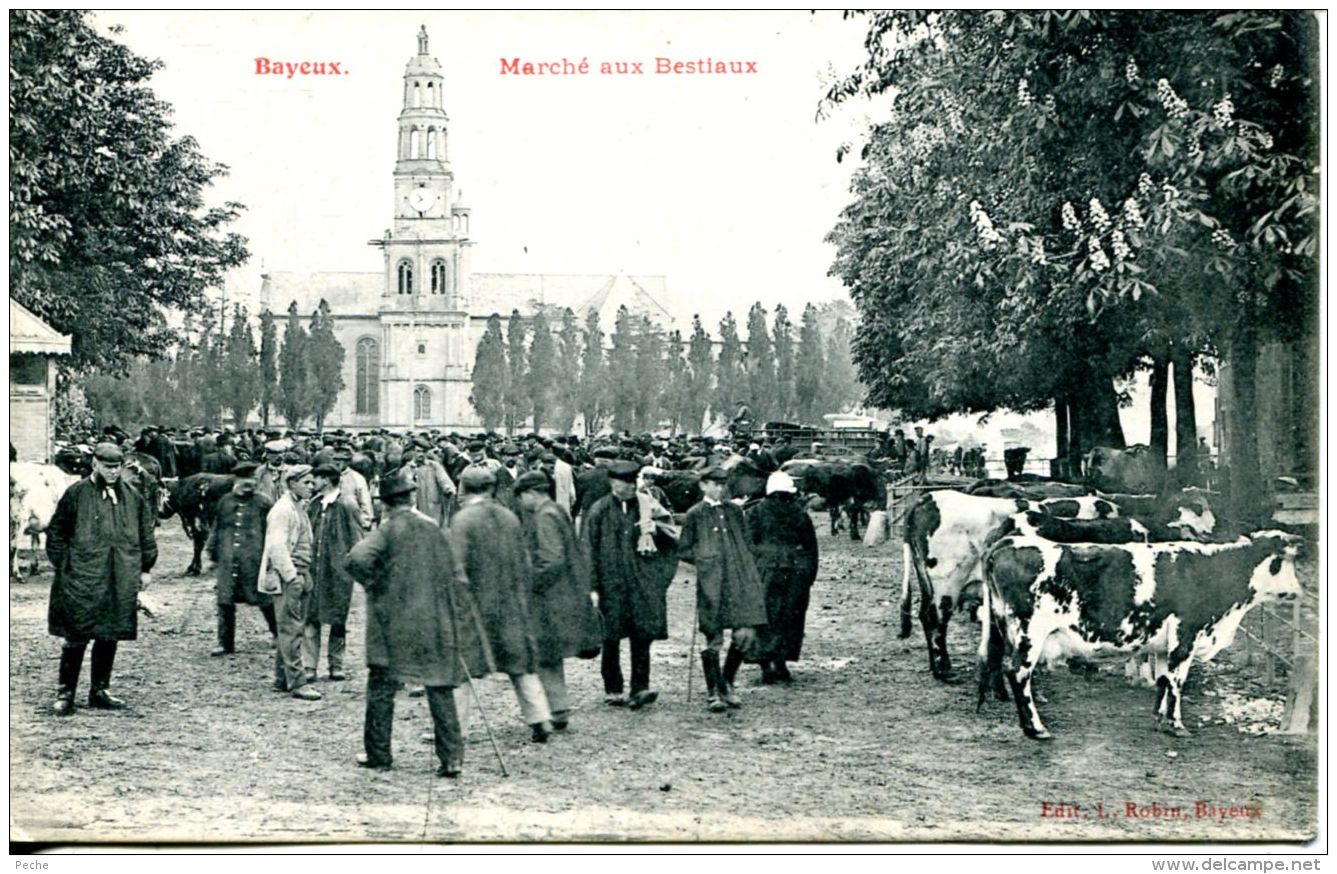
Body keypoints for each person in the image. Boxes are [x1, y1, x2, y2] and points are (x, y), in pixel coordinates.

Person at [345, 470, 494, 776]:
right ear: (411, 497)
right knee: (439, 686)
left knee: (382, 689)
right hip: (433, 621)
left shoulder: (387, 530)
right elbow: (454, 573)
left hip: (392, 624)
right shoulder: (434, 528)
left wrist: (376, 585)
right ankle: (452, 758)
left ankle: (379, 754)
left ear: (385, 503)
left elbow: (355, 560)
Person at [45, 443, 158, 715]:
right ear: (94, 464)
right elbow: (56, 535)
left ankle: (100, 690)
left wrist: (145, 568)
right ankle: (65, 693)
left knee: (110, 633)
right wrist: (67, 567)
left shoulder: (132, 496)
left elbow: (145, 534)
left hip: (119, 577)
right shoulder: (76, 494)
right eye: (107, 466)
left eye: (116, 467)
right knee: (77, 634)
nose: (112, 472)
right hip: (82, 579)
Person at [450, 467, 555, 743]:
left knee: (462, 667)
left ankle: (455, 729)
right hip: (510, 602)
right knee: (520, 663)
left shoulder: (463, 520)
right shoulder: (509, 516)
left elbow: (457, 568)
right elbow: (524, 560)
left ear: (464, 489)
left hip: (477, 605)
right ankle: (540, 718)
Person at [582, 459, 678, 709]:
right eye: (620, 483)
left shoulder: (648, 506)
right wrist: (591, 586)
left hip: (640, 582)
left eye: (630, 483)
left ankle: (640, 688)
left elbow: (672, 538)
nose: (625, 488)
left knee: (641, 635)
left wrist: (654, 528)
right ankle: (613, 688)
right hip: (609, 583)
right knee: (610, 637)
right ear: (612, 483)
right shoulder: (599, 510)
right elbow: (588, 549)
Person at [513, 472, 603, 731]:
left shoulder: (544, 517)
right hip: (563, 594)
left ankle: (556, 709)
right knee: (549, 654)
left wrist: (530, 582)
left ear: (532, 493)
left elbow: (551, 559)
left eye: (521, 497)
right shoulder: (557, 511)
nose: (521, 503)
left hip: (549, 598)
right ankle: (558, 706)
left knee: (544, 653)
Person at [676, 467, 768, 713]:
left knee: (744, 634)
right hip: (712, 582)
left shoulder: (734, 511)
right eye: (714, 484)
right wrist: (704, 558)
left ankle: (727, 682)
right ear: (703, 486)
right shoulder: (695, 514)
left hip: (738, 579)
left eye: (722, 484)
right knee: (713, 635)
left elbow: (747, 542)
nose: (719, 489)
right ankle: (713, 691)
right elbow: (684, 549)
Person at [743, 471, 818, 684]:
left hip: (765, 570)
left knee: (764, 616)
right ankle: (781, 663)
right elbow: (811, 547)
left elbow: (748, 544)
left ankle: (765, 665)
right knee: (791, 617)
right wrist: (810, 575)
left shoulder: (755, 512)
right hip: (796, 571)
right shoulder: (800, 513)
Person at [258, 464, 321, 701]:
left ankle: (281, 677)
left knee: (291, 626)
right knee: (291, 630)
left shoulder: (297, 507)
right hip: (290, 577)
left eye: (312, 482)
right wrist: (292, 576)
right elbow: (277, 547)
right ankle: (298, 682)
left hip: (301, 573)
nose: (311, 486)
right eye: (306, 482)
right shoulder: (283, 510)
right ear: (291, 483)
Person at [205, 461, 277, 656]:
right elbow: (217, 527)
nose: (249, 483)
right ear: (236, 480)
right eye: (245, 479)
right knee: (225, 601)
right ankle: (225, 643)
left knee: (264, 598)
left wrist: (271, 557)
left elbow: (273, 532)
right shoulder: (225, 501)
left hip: (254, 560)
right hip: (228, 560)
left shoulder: (264, 503)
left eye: (252, 479)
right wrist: (212, 553)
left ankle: (278, 634)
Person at [303, 465, 364, 682]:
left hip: (337, 572)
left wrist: (352, 566)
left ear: (327, 480)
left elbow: (357, 538)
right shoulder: (314, 504)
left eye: (316, 480)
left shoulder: (347, 504)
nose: (312, 484)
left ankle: (336, 664)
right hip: (314, 569)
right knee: (311, 616)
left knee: (338, 618)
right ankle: (309, 666)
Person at [406, 443, 456, 529]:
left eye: (424, 452)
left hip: (432, 504)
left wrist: (448, 488)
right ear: (413, 452)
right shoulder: (408, 468)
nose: (421, 454)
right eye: (418, 451)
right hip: (415, 504)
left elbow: (443, 479)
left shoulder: (434, 466)